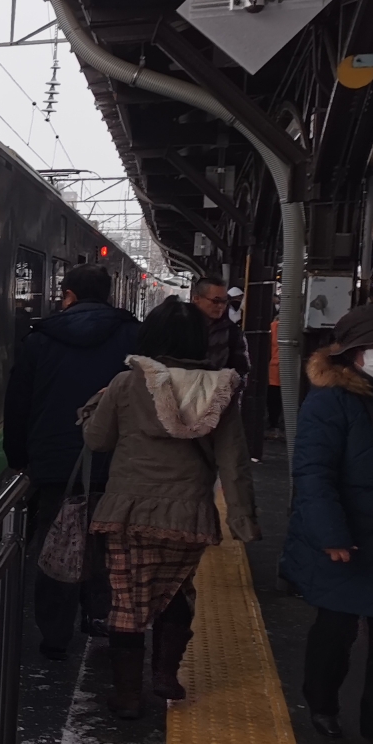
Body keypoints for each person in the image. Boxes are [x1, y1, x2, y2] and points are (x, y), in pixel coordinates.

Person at [82, 298, 259, 718]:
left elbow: (97, 440)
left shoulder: (127, 384)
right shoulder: (221, 390)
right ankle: (165, 677)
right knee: (176, 591)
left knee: (128, 602)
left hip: (128, 512)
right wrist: (243, 520)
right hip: (189, 515)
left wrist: (94, 405)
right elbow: (233, 462)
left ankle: (127, 695)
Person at [279, 303, 373, 744]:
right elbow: (313, 473)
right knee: (337, 628)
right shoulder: (331, 401)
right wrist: (331, 534)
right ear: (351, 353)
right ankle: (322, 704)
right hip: (348, 534)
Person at [4, 263, 139, 659]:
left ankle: (55, 634)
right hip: (116, 459)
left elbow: (19, 403)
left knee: (57, 543)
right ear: (109, 294)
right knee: (109, 543)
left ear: (69, 295)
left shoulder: (40, 339)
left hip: (55, 462)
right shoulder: (133, 335)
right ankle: (100, 615)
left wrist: (20, 457)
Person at [192, 275, 250, 378]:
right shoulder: (179, 327)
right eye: (215, 301)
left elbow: (241, 371)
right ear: (196, 299)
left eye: (224, 301)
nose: (221, 306)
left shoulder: (233, 333)